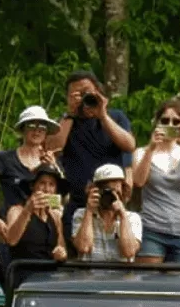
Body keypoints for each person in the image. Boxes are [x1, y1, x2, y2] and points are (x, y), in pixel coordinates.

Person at [44, 71, 136, 240]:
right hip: (78, 201)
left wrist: (102, 115)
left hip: (111, 201)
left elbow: (129, 145)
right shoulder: (65, 122)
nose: (83, 98)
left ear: (98, 92)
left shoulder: (115, 116)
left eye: (87, 92)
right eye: (77, 94)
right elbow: (52, 148)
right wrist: (71, 113)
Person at [130, 100, 180, 264]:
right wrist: (151, 148)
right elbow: (138, 181)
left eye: (176, 121)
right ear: (156, 122)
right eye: (165, 121)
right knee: (149, 284)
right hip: (152, 229)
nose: (170, 125)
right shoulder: (142, 152)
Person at [0, 105, 58, 225]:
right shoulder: (5, 159)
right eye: (31, 125)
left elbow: (58, 202)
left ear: (46, 132)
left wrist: (54, 170)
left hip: (43, 230)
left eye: (42, 126)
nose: (37, 130)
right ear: (23, 129)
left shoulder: (49, 161)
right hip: (12, 226)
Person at [71, 164, 142, 262]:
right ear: (95, 191)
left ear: (123, 191)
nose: (112, 197)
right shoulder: (81, 214)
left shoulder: (132, 218)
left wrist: (123, 216)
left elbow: (129, 252)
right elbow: (84, 248)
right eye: (107, 192)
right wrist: (89, 211)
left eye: (116, 192)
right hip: (89, 276)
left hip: (120, 276)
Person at [6, 163, 69, 268]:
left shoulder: (55, 216)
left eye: (51, 184)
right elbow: (11, 240)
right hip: (24, 274)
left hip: (49, 275)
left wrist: (61, 254)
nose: (47, 189)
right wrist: (28, 210)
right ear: (32, 186)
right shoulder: (16, 210)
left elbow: (61, 247)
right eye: (42, 183)